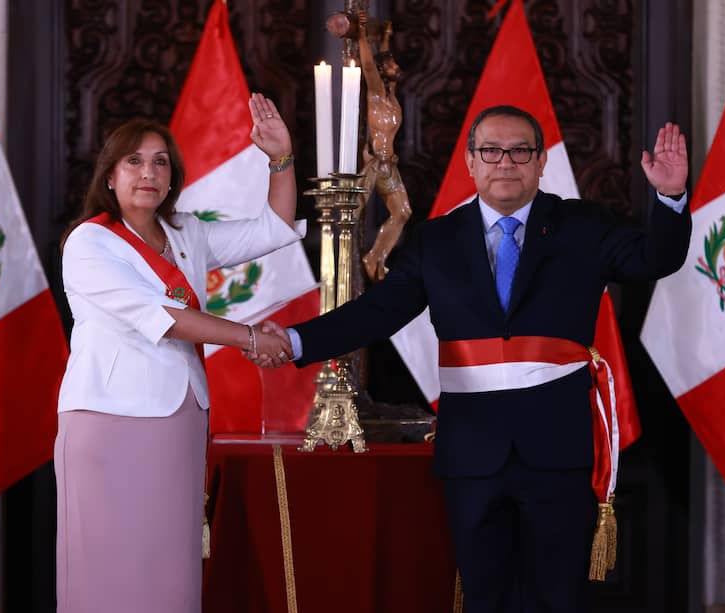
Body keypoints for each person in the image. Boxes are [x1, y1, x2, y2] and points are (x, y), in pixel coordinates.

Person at [260, 106, 692, 611]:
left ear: (540, 161)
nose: (504, 162)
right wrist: (293, 341)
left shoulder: (582, 226)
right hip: (473, 455)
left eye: (519, 151)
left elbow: (655, 259)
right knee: (484, 598)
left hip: (557, 449)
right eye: (490, 150)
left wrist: (670, 197)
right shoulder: (436, 240)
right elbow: (376, 314)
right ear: (470, 161)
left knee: (558, 597)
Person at [54, 93, 300, 612]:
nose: (149, 172)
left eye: (160, 161)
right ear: (110, 176)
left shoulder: (186, 232)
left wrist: (280, 158)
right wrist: (251, 338)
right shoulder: (89, 243)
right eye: (134, 161)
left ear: (172, 176)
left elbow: (273, 230)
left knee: (171, 559)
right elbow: (163, 319)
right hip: (108, 417)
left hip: (180, 415)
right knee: (107, 563)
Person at [357, 11, 412, 282]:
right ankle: (357, 261)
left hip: (389, 165)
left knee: (403, 212)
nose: (395, 65)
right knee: (352, 215)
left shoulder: (392, 97)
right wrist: (361, 35)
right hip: (374, 165)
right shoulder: (377, 94)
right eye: (390, 64)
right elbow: (370, 65)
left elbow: (382, 59)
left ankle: (376, 256)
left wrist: (386, 38)